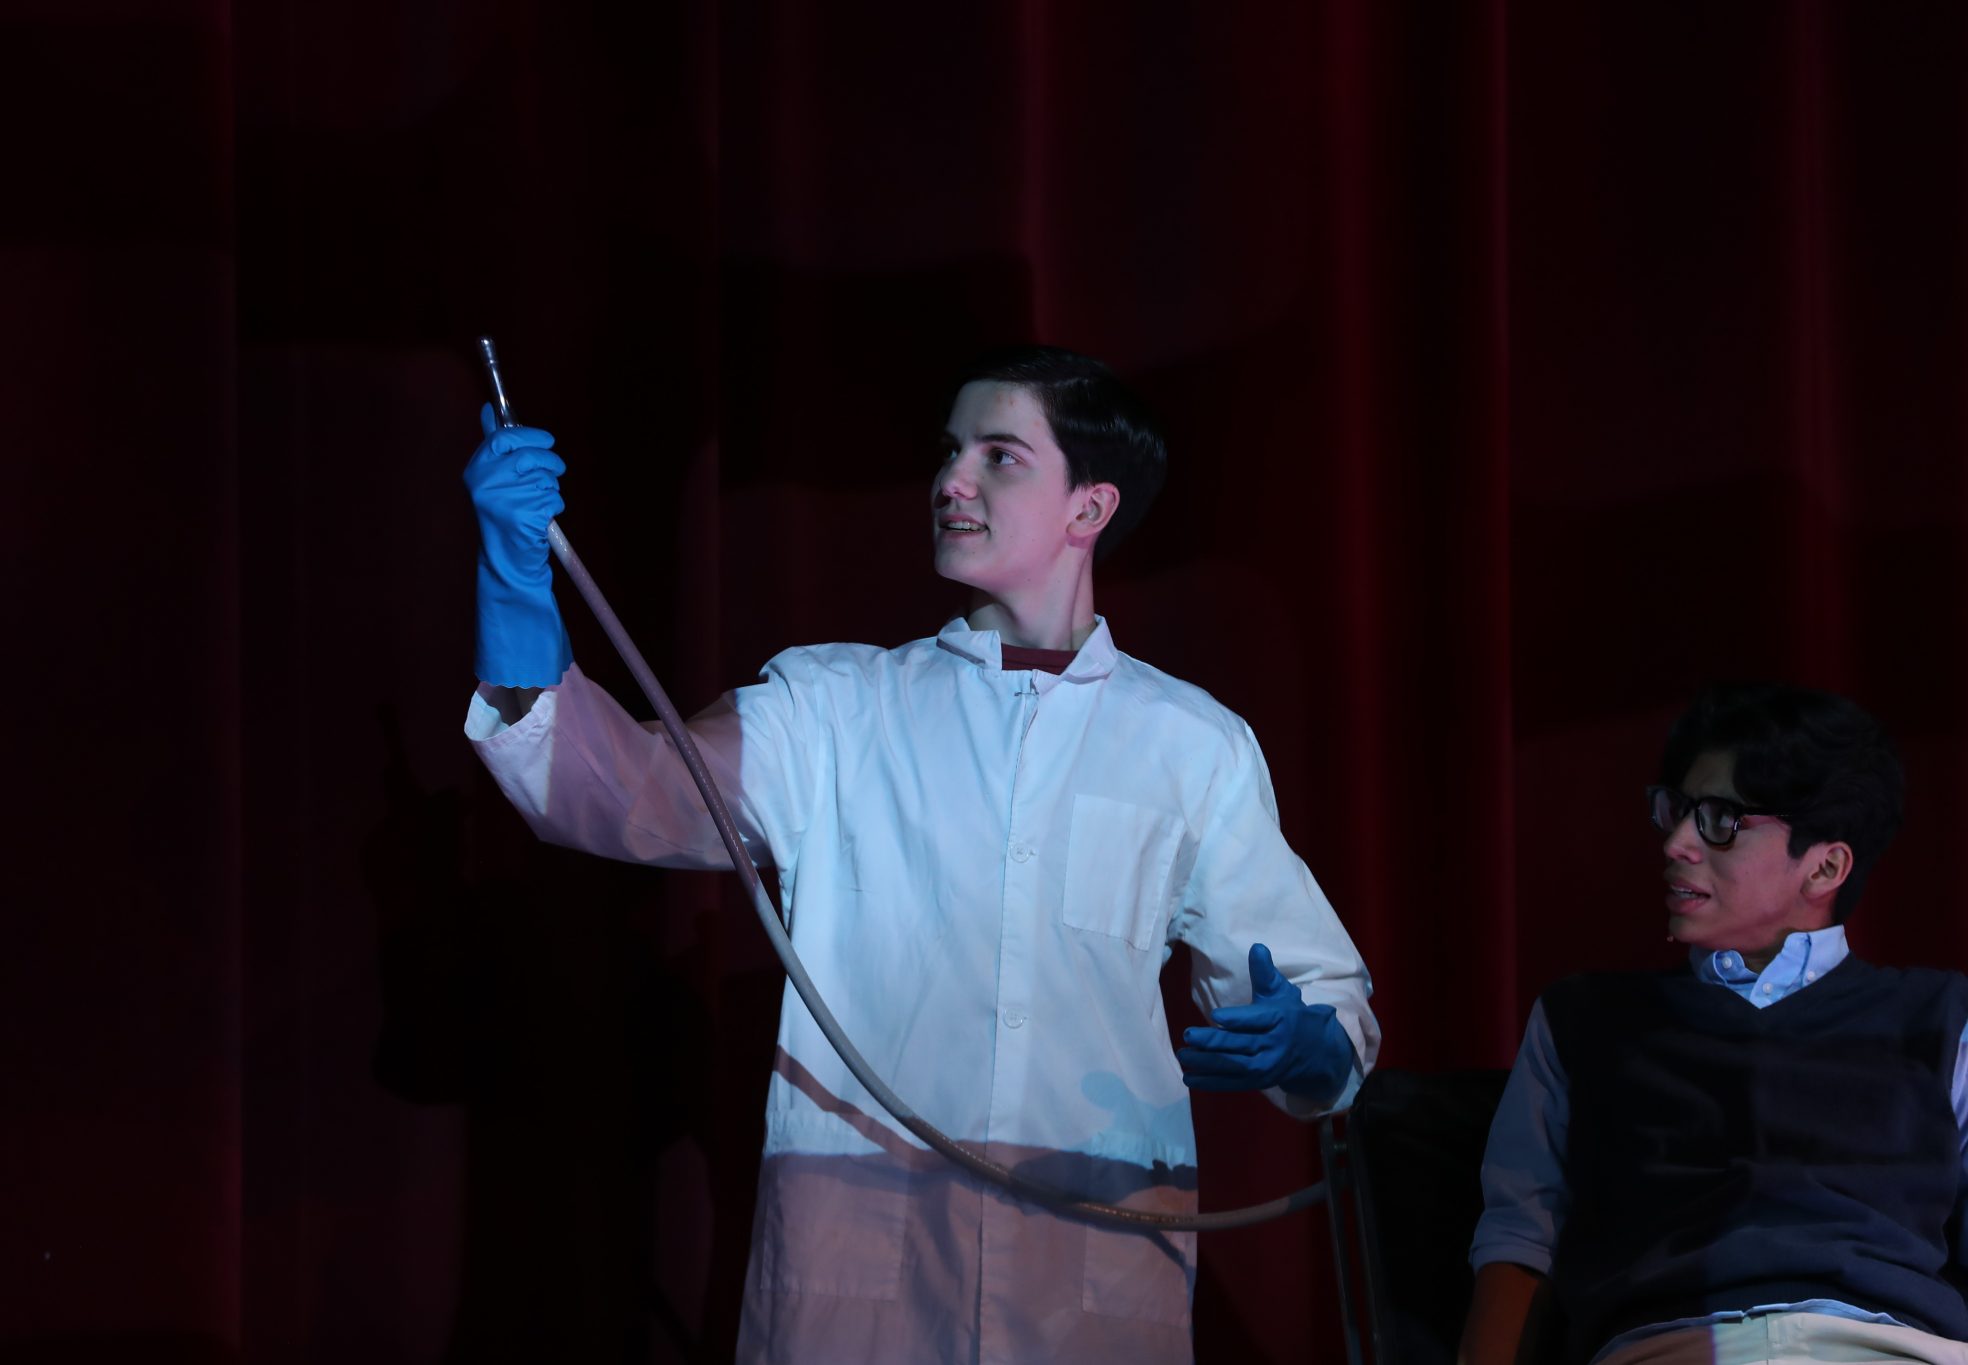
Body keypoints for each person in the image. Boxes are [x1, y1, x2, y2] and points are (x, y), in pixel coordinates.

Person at [461, 345, 1379, 1364]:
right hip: (858, 1287)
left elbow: (1322, 999)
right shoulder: (832, 710)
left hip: (1088, 1283)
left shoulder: (1191, 744)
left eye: (998, 456)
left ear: (1088, 507)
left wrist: (1308, 1046)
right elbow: (609, 791)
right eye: (949, 451)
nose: (951, 480)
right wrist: (515, 582)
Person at [1462, 683, 1968, 1365]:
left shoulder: (1942, 1020)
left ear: (1824, 866)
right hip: (1666, 1346)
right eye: (1677, 811)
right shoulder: (1583, 1021)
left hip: (1886, 1346)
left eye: (1720, 820)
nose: (1676, 843)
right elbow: (1521, 1238)